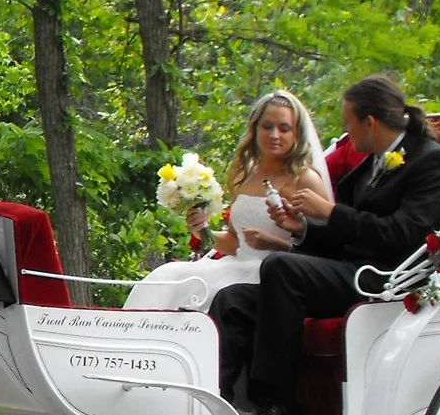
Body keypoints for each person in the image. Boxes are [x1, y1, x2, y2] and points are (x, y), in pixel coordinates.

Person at [211, 72, 440, 415]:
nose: (346, 132)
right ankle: (218, 402)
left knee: (281, 268)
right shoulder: (370, 164)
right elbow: (345, 235)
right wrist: (302, 228)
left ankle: (279, 407)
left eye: (348, 122)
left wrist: (328, 212)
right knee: (233, 299)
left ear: (369, 123)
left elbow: (404, 235)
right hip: (349, 267)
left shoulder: (430, 161)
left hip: (386, 276)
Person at [127, 89, 333, 312]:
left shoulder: (305, 179)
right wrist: (204, 230)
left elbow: (323, 250)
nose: (274, 135)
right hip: (235, 265)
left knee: (208, 292)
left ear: (296, 134)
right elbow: (236, 243)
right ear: (255, 129)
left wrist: (276, 244)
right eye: (267, 127)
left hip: (273, 276)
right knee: (167, 276)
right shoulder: (245, 176)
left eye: (284, 128)